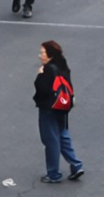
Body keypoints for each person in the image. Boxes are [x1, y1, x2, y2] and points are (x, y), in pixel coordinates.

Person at [34, 41, 83, 183]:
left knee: (51, 140)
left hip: (49, 108)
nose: (40, 55)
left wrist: (40, 75)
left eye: (43, 53)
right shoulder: (63, 65)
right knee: (63, 135)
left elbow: (42, 89)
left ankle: (53, 173)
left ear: (49, 54)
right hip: (63, 107)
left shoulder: (48, 69)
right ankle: (76, 164)